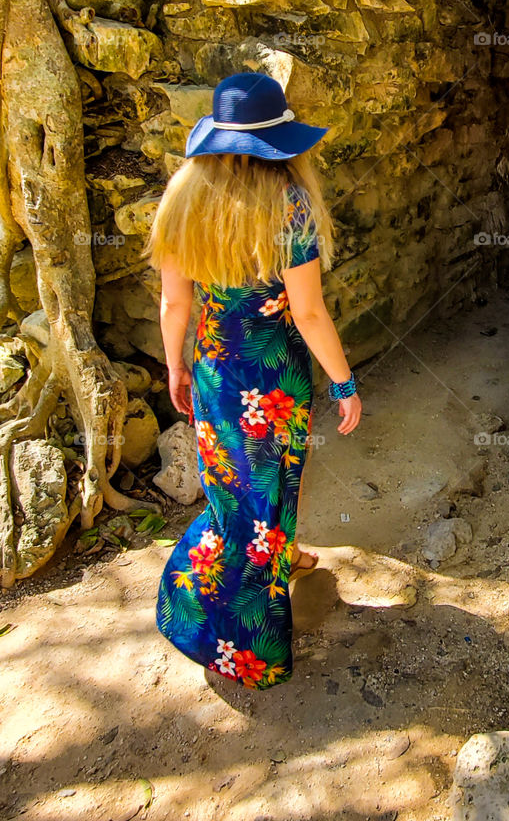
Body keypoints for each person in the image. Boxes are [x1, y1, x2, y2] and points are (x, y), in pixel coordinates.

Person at [142, 71, 361, 690]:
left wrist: (175, 365)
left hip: (215, 373)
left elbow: (173, 306)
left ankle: (284, 557)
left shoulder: (182, 201)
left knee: (238, 495)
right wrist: (343, 382)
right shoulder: (290, 205)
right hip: (271, 385)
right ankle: (227, 636)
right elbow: (309, 312)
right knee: (256, 508)